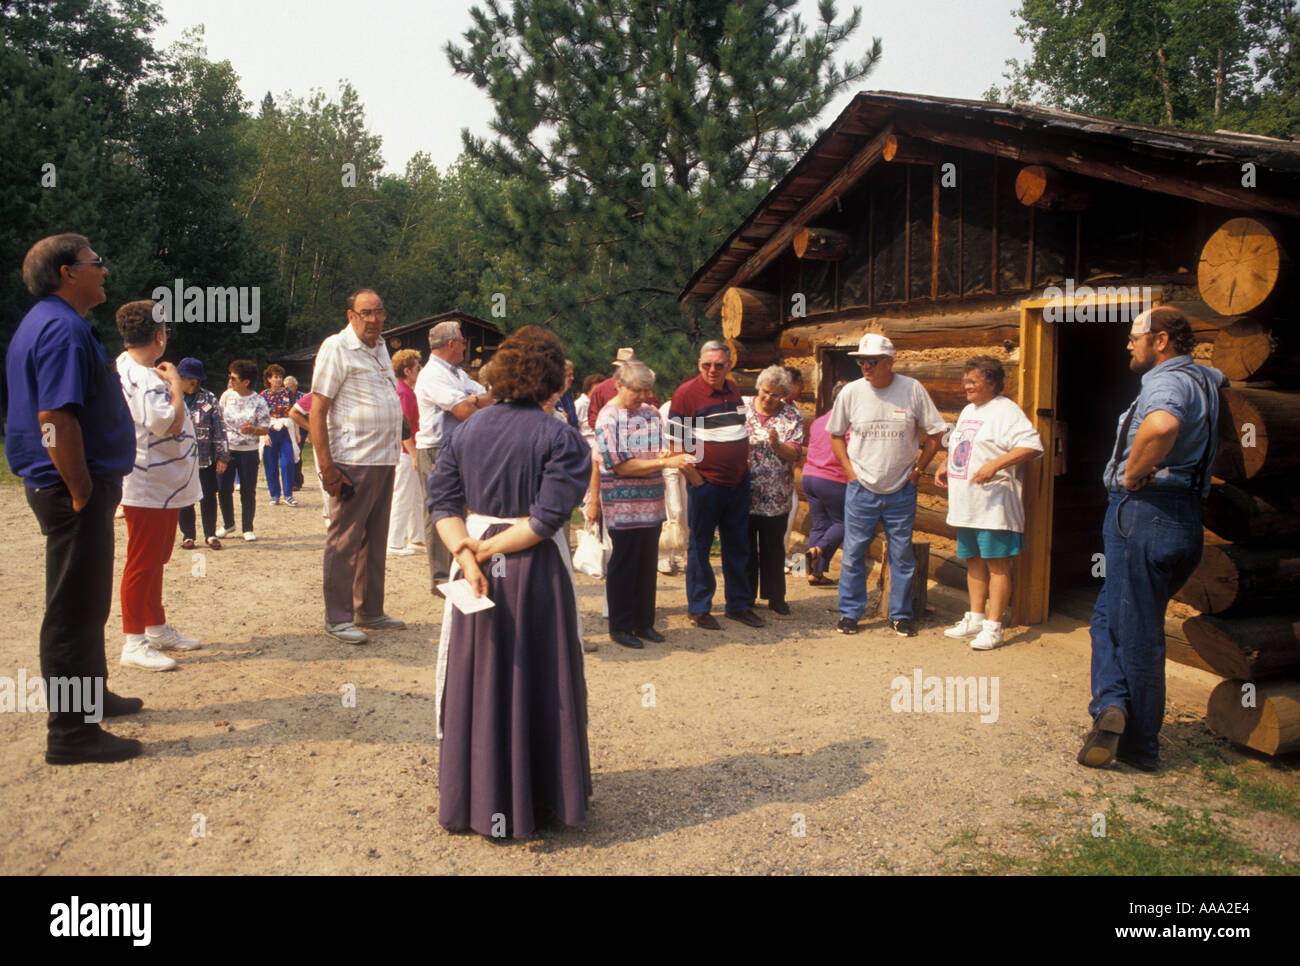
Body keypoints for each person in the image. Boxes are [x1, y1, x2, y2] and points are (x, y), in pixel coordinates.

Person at [429, 325, 592, 839]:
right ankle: (541, 795)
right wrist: (488, 548)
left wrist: (467, 554)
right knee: (537, 675)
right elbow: (546, 519)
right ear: (552, 379)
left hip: (473, 565)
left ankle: (477, 799)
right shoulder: (560, 436)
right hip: (532, 571)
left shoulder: (466, 431)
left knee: (480, 677)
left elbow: (441, 503)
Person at [6, 233, 142, 764]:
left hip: (68, 487)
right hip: (71, 492)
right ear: (68, 273)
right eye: (95, 262)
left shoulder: (48, 322)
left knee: (86, 603)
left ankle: (93, 698)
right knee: (71, 611)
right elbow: (53, 420)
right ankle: (71, 733)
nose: (104, 270)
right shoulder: (61, 329)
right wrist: (81, 488)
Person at [1078, 306, 1224, 773]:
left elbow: (1162, 426)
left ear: (1162, 341)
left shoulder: (1164, 382)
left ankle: (1140, 747)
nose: (1128, 344)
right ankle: (1111, 704)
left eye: (1134, 337)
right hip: (1183, 518)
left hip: (1145, 513)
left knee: (1136, 631)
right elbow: (1218, 381)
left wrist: (1133, 473)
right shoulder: (1205, 380)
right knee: (1108, 615)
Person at [828, 333, 946, 637]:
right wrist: (850, 473)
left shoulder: (912, 389)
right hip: (861, 487)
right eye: (861, 361)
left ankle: (901, 614)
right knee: (853, 552)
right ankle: (849, 614)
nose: (865, 366)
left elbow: (936, 434)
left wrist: (918, 470)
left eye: (872, 361)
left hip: (902, 489)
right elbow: (835, 434)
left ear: (889, 362)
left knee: (901, 554)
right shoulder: (851, 392)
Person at [310, 288, 406, 644]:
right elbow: (317, 410)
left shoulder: (381, 347)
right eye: (366, 313)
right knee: (345, 540)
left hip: (384, 456)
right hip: (354, 458)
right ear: (350, 316)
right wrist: (327, 468)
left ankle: (369, 609)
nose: (374, 319)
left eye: (379, 312)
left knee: (375, 538)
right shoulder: (336, 348)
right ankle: (337, 617)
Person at [114, 300, 203, 671]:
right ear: (159, 336)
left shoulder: (128, 365)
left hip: (162, 485)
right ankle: (134, 641)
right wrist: (177, 388)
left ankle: (156, 626)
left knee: (156, 560)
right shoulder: (148, 379)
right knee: (142, 562)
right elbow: (164, 422)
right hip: (150, 485)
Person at [935, 356, 1043, 650]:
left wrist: (995, 465)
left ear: (991, 382)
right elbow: (963, 443)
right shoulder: (970, 409)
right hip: (967, 504)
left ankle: (995, 627)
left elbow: (1032, 446)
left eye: (972, 381)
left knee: (997, 566)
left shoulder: (1006, 411)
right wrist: (946, 462)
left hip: (993, 505)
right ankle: (976, 618)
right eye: (965, 380)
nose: (966, 386)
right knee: (973, 562)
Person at [594, 361, 697, 647]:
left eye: (648, 391)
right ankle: (621, 626)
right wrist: (664, 461)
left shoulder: (652, 413)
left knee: (646, 563)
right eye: (637, 391)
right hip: (623, 504)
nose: (643, 397)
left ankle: (644, 622)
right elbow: (621, 466)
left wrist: (663, 454)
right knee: (624, 564)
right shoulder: (608, 417)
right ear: (619, 385)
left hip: (651, 501)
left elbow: (654, 450)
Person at [667, 340, 764, 630]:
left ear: (728, 365)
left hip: (737, 482)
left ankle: (739, 605)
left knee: (738, 545)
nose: (712, 370)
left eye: (718, 365)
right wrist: (696, 480)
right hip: (706, 483)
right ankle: (699, 608)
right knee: (701, 546)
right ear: (699, 365)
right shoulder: (685, 394)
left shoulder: (733, 389)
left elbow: (738, 430)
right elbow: (675, 445)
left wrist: (743, 465)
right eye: (706, 365)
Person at [414, 320, 492, 589]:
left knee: (459, 508)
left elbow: (490, 398)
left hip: (457, 448)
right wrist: (470, 401)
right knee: (440, 510)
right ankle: (441, 578)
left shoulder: (457, 374)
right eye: (462, 342)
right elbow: (464, 411)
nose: (465, 347)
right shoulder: (433, 375)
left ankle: (457, 569)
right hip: (436, 449)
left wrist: (472, 399)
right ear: (451, 344)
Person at [744, 365, 805, 616]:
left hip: (776, 493)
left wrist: (777, 444)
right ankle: (744, 597)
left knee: (773, 546)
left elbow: (795, 452)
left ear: (785, 396)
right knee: (745, 547)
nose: (769, 399)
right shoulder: (741, 407)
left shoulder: (792, 416)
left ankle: (775, 596)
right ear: (759, 388)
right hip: (744, 492)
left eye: (776, 395)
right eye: (766, 392)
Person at [177, 357, 229, 551]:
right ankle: (188, 535)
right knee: (185, 498)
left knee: (208, 495)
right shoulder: (170, 397)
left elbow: (219, 429)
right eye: (191, 379)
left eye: (197, 380)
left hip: (205, 457)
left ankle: (210, 534)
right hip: (180, 458)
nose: (194, 383)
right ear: (181, 377)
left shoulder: (209, 398)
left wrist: (223, 456)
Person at [802, 381, 850, 587]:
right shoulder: (848, 424)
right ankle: (817, 550)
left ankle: (816, 573)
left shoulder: (819, 421)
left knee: (820, 524)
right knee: (844, 523)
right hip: (832, 479)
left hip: (809, 477)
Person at [217, 359, 270, 541]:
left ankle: (248, 527)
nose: (230, 381)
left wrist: (253, 430)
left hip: (249, 450)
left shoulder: (259, 401)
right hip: (227, 450)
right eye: (230, 377)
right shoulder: (226, 396)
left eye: (234, 378)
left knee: (248, 489)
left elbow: (265, 428)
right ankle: (228, 523)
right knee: (224, 488)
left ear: (246, 381)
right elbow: (218, 420)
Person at [388, 348, 425, 556]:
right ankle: (394, 542)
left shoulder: (410, 392)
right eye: (417, 368)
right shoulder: (402, 393)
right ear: (407, 371)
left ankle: (416, 538)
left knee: (417, 496)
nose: (420, 371)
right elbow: (403, 427)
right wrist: (413, 454)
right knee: (402, 496)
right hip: (405, 451)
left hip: (412, 449)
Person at [260, 364, 299, 506]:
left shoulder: (288, 393)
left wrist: (297, 432)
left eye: (280, 377)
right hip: (269, 430)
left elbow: (295, 413)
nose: (278, 380)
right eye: (275, 377)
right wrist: (264, 434)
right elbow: (260, 416)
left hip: (285, 430)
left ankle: (288, 494)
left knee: (288, 461)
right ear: (269, 379)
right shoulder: (263, 395)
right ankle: (274, 494)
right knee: (270, 464)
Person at [781, 366, 806, 569]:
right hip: (771, 471)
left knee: (791, 509)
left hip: (787, 471)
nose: (802, 387)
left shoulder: (794, 408)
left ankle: (780, 553)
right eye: (799, 383)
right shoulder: (775, 405)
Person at [284, 375, 305, 489]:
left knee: (297, 452)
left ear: (296, 386)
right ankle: (296, 479)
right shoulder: (283, 397)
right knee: (290, 453)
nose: (288, 390)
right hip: (288, 426)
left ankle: (296, 481)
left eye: (290, 387)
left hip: (301, 427)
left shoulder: (302, 397)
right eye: (286, 387)